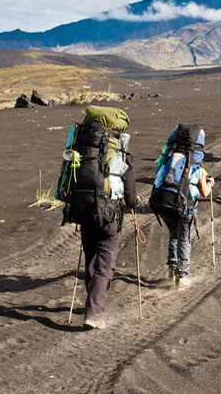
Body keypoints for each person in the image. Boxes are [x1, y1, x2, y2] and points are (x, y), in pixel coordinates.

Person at [65, 106, 139, 330]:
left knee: (91, 257)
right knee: (105, 263)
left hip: (83, 209)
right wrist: (133, 205)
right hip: (109, 214)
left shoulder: (81, 146)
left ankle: (92, 301)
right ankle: (94, 313)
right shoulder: (118, 151)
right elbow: (131, 196)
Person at [149, 125, 212, 288]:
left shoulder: (170, 155)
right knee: (185, 237)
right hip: (185, 204)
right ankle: (181, 276)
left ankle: (172, 269)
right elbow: (204, 192)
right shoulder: (196, 162)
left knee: (174, 234)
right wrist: (209, 183)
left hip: (163, 198)